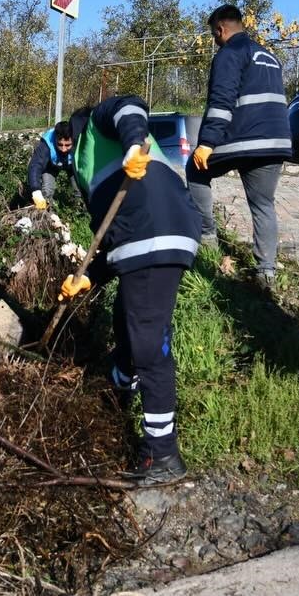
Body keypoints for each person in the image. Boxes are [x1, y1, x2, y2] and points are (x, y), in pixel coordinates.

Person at [67, 95, 200, 487]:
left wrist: (131, 145)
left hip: (154, 235)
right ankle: (117, 392)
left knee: (148, 346)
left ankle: (162, 454)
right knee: (128, 324)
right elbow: (112, 237)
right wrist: (87, 274)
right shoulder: (96, 167)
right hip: (152, 235)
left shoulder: (95, 125)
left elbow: (130, 107)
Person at [187, 4, 292, 288]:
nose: (214, 39)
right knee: (263, 204)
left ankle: (207, 239)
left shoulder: (230, 53)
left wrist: (207, 143)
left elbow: (221, 102)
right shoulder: (269, 56)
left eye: (213, 34)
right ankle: (266, 271)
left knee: (195, 170)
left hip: (244, 139)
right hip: (276, 141)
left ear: (221, 29)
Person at [26, 120, 75, 209]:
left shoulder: (81, 141)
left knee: (80, 190)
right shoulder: (47, 143)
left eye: (68, 145)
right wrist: (35, 190)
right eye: (60, 144)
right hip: (51, 165)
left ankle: (81, 212)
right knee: (47, 191)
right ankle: (47, 214)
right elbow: (36, 166)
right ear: (55, 139)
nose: (64, 149)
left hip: (73, 165)